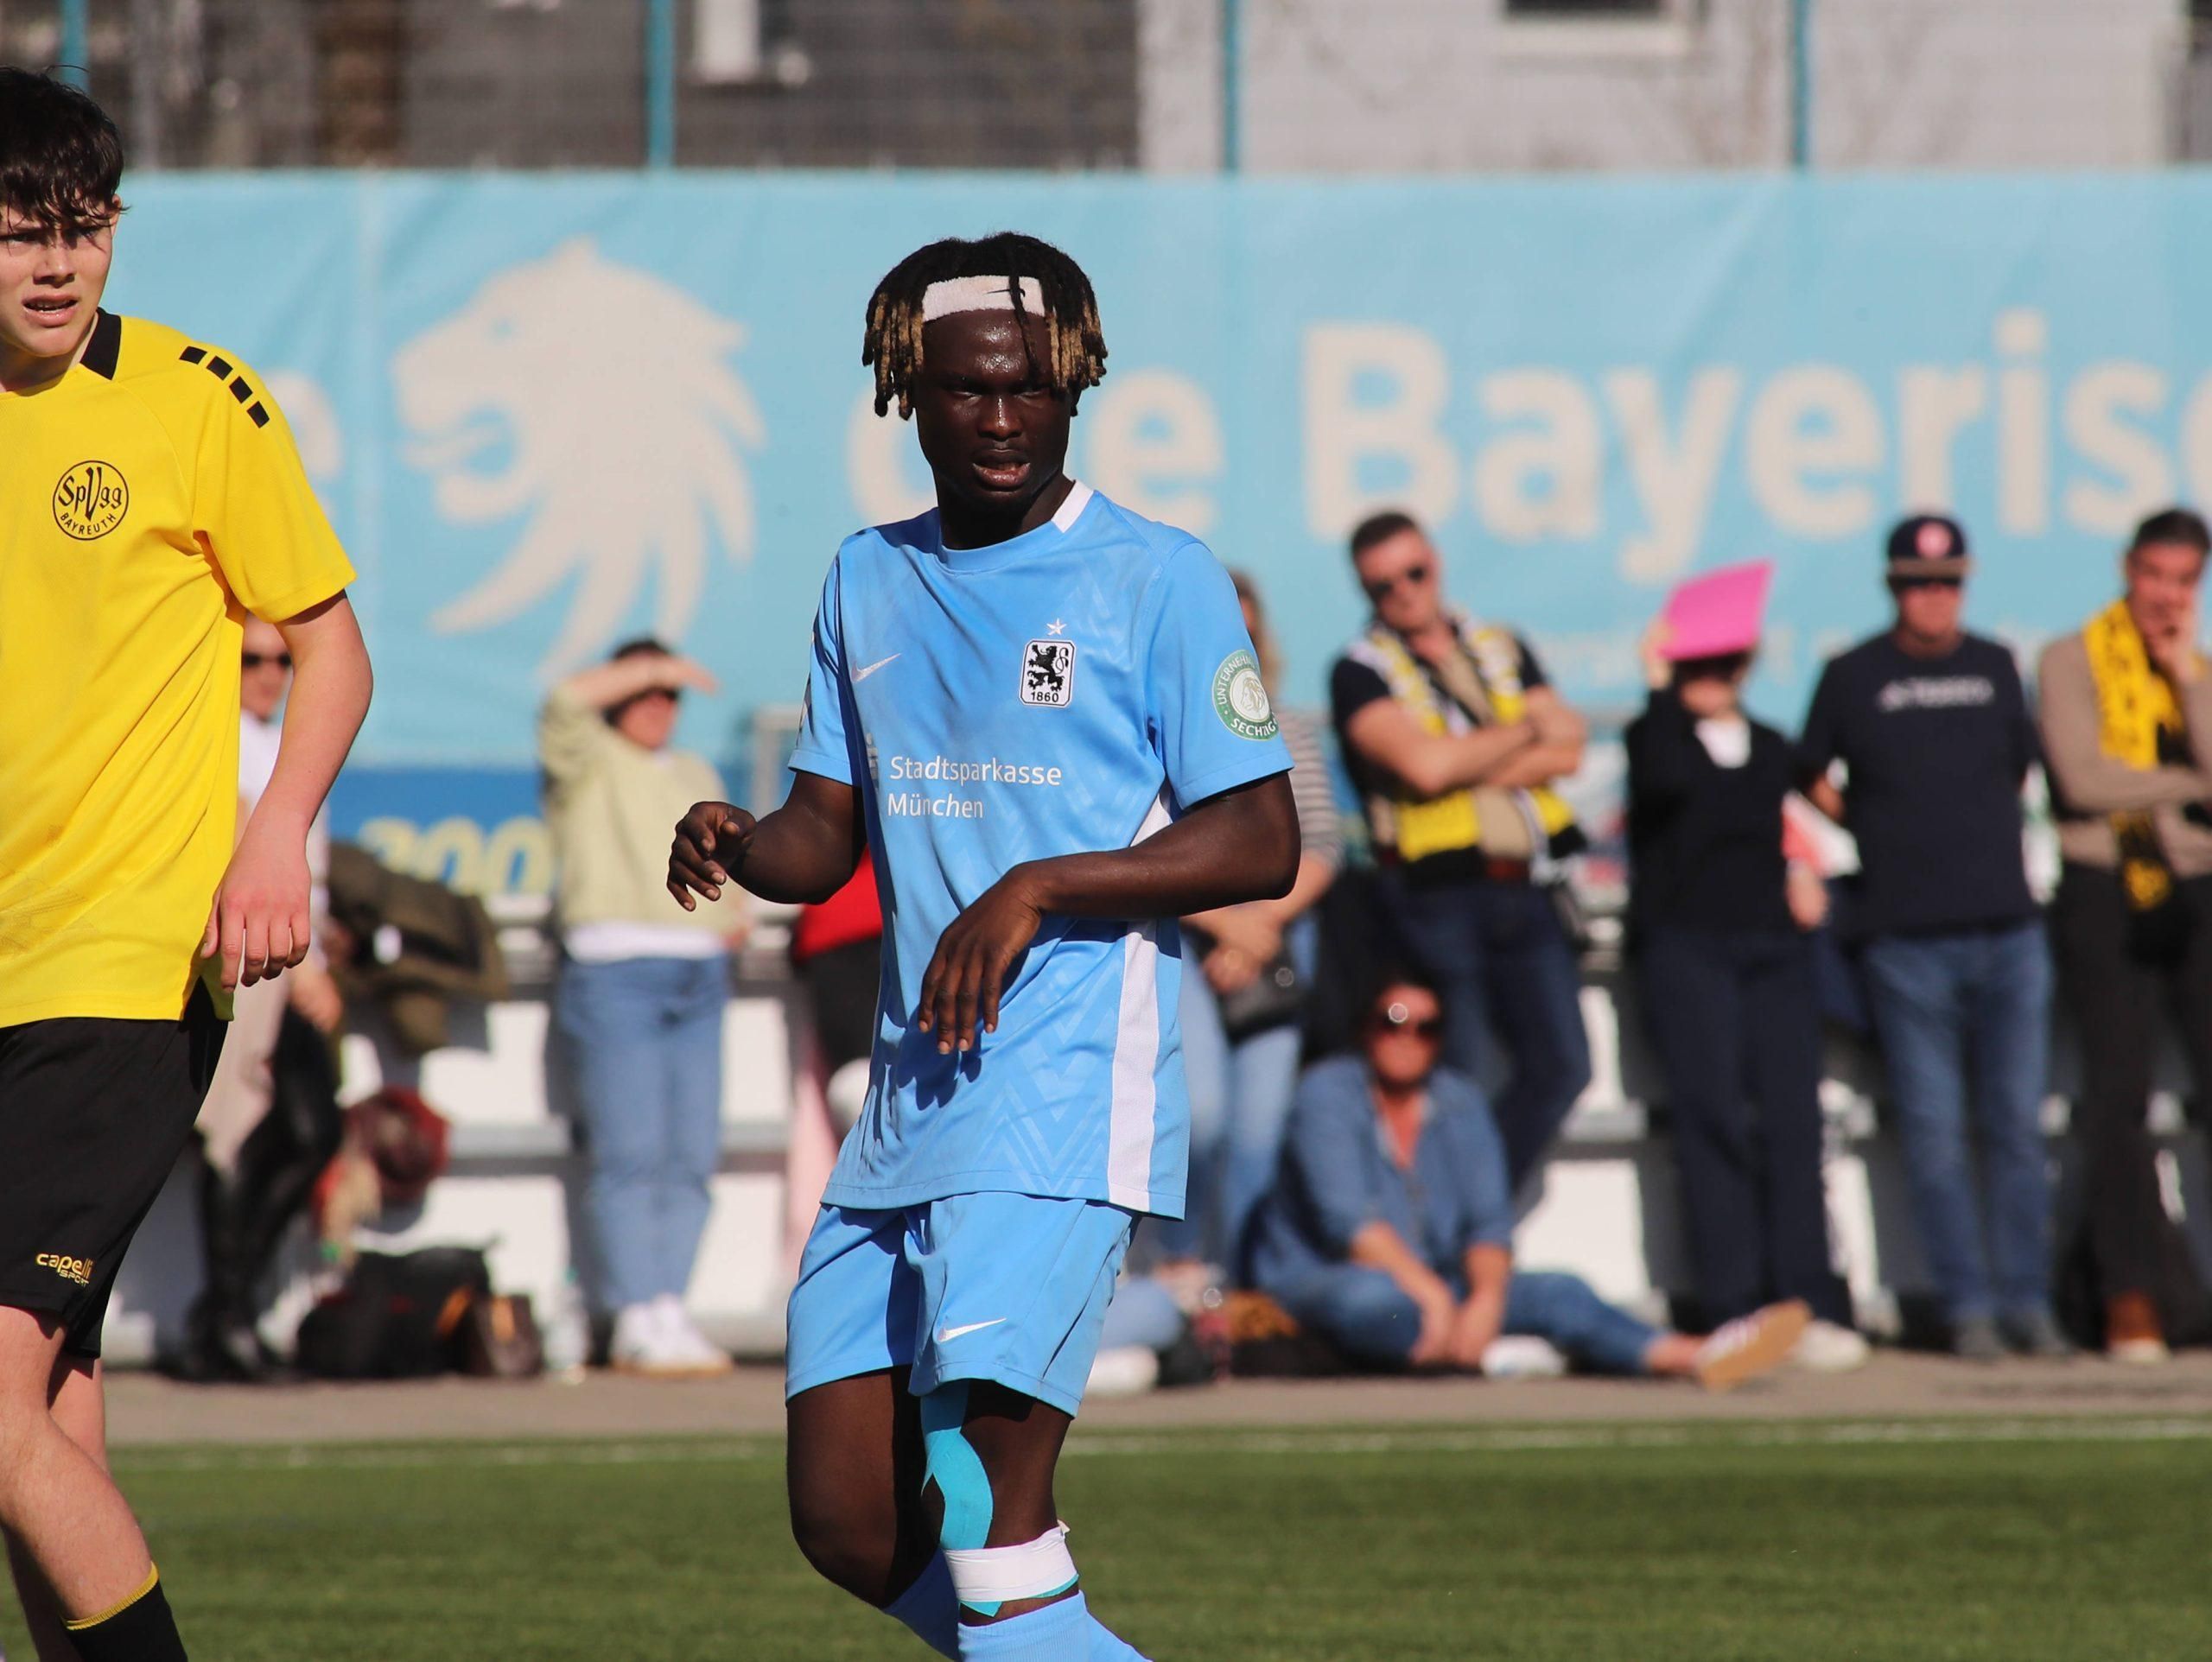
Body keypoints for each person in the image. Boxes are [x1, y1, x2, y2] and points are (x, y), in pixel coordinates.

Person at [668, 234, 1298, 1661]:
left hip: (1066, 1087)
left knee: (984, 1507)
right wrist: (741, 836)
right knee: (845, 1515)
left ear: (1071, 383)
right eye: (966, 392)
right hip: (908, 1107)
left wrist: (1035, 885)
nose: (1001, 419)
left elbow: (1261, 838)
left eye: (1029, 390)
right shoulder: (867, 578)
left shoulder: (1158, 574)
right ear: (910, 393)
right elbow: (825, 835)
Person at [0, 70, 371, 1662]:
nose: (57, 263)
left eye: (82, 228)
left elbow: (336, 652)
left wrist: (272, 828)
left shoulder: (195, 397)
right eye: (20, 230)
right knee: (45, 1419)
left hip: (127, 958)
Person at [1249, 968, 1808, 1387]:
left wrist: (1486, 1300)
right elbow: (1350, 1225)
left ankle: (1692, 1354)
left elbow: (1489, 1224)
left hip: (1438, 1285)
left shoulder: (1458, 1101)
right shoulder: (1328, 1093)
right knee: (1377, 1305)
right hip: (1331, 1280)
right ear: (1366, 1029)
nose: (1408, 1037)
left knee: (1559, 1289)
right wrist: (1437, 1299)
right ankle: (1494, 1352)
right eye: (1393, 1022)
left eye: (1427, 1027)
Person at [1796, 516, 2063, 1361]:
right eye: (1916, 581)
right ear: (1891, 586)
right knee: (1935, 1136)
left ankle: (2029, 1299)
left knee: (2017, 1130)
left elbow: (2021, 768)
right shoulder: (1851, 674)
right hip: (1904, 937)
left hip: (2006, 927)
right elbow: (1807, 772)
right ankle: (1967, 1306)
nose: (1932, 596)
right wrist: (1872, 826)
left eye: (1946, 581)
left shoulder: (1992, 665)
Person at [1624, 584, 1861, 1360]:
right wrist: (1660, 684)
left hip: (1771, 952)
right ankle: (1731, 1304)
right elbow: (1662, 784)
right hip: (1688, 948)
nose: (1712, 674)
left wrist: (1803, 866)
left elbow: (1802, 812)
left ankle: (1808, 1299)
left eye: (1726, 661)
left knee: (1794, 1122)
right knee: (1713, 1119)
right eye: (1699, 661)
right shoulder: (1654, 737)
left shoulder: (1766, 742)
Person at [1329, 511, 1592, 1189]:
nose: (1405, 593)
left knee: (1565, 1066)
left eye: (1413, 574)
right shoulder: (1359, 670)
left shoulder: (1501, 644)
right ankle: (1456, 1220)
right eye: (1383, 587)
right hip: (1435, 899)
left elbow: (1568, 744)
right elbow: (1425, 770)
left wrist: (1466, 758)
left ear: (1436, 564)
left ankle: (1467, 1212)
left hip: (1526, 886)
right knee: (1463, 1074)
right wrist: (1521, 732)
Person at [2037, 507, 2212, 1364]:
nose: (2164, 597)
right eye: (2153, 576)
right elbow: (2079, 779)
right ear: (2125, 570)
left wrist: (2184, 681)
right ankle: (2130, 1294)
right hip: (2105, 885)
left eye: (2183, 581)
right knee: (2116, 1095)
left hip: (2197, 887)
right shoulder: (2071, 660)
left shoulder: (2202, 673)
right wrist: (2182, 784)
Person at [542, 638, 737, 1377]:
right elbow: (563, 702)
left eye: (670, 695)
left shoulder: (693, 770)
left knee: (689, 1153)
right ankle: (631, 1312)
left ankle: (669, 1306)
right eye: (645, 690)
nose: (660, 705)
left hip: (699, 976)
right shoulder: (586, 758)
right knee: (628, 1153)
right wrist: (659, 665)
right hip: (614, 970)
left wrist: (733, 915)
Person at [177, 618, 349, 1383]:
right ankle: (226, 1319)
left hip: (288, 964)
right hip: (245, 963)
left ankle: (224, 1313)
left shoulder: (286, 742)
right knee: (234, 1135)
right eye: (253, 659)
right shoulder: (212, 741)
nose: (270, 674)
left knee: (307, 1132)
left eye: (284, 660)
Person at [1159, 569, 1342, 1278]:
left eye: (1248, 630)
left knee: (1260, 1133)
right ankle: (1178, 1269)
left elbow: (1323, 843)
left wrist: (1258, 926)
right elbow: (1141, 851)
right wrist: (1224, 926)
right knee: (1199, 1117)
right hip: (1182, 942)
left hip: (1275, 945)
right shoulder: (1158, 731)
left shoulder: (1289, 727)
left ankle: (1235, 1293)